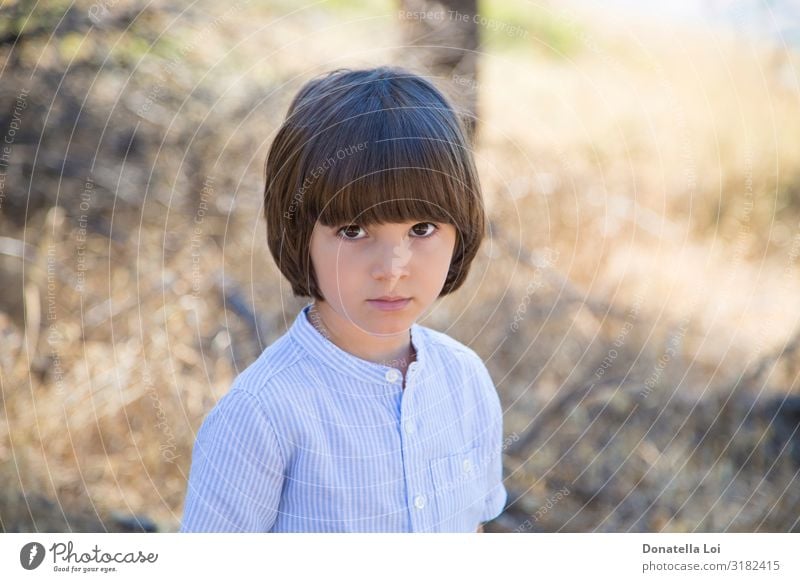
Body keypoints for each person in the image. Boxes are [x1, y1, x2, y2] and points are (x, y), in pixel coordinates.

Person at [180, 66, 507, 532]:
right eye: (353, 230)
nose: (393, 266)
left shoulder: (465, 379)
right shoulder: (261, 416)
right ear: (300, 236)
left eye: (422, 229)